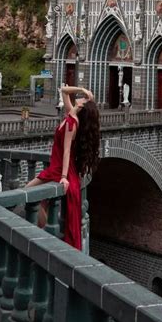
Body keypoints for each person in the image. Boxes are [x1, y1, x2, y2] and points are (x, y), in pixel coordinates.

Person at [26, 85, 100, 250]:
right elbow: (63, 91)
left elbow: (67, 151)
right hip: (56, 166)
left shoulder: (72, 122)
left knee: (27, 192)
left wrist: (64, 177)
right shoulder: (71, 116)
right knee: (41, 202)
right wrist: (83, 90)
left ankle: (41, 232)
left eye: (81, 99)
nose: (79, 98)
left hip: (58, 169)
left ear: (81, 107)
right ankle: (40, 231)